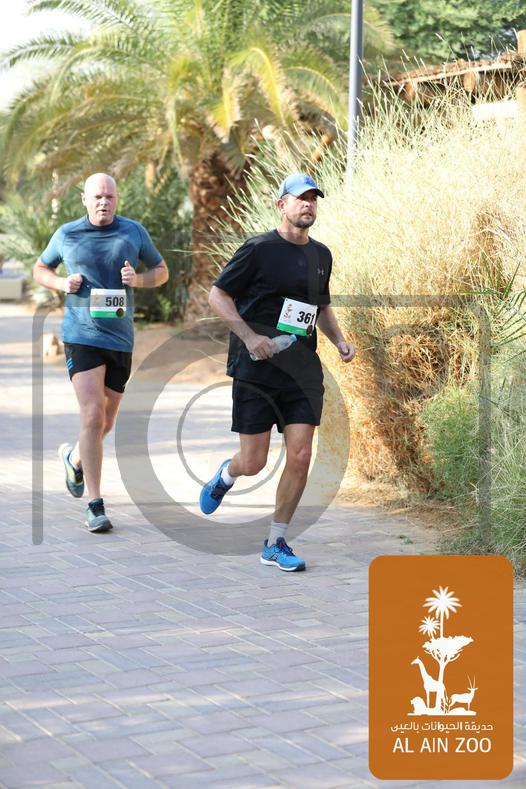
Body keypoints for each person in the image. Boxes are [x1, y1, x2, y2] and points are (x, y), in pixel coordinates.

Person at [200, 172, 355, 571]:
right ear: (281, 204)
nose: (308, 204)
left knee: (300, 454)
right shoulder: (258, 250)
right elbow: (218, 295)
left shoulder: (322, 255)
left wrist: (339, 340)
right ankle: (227, 474)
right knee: (254, 462)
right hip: (257, 370)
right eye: (301, 198)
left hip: (301, 372)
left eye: (313, 199)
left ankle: (276, 541)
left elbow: (320, 306)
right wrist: (250, 337)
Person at [34, 173, 169, 532]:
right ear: (84, 199)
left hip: (119, 340)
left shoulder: (133, 232)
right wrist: (61, 282)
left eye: (109, 196)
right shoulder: (67, 233)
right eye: (97, 196)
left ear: (117, 199)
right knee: (92, 414)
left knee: (105, 422)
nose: (103, 202)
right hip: (81, 335)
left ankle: (75, 457)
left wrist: (138, 280)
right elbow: (40, 268)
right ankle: (95, 505)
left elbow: (161, 271)